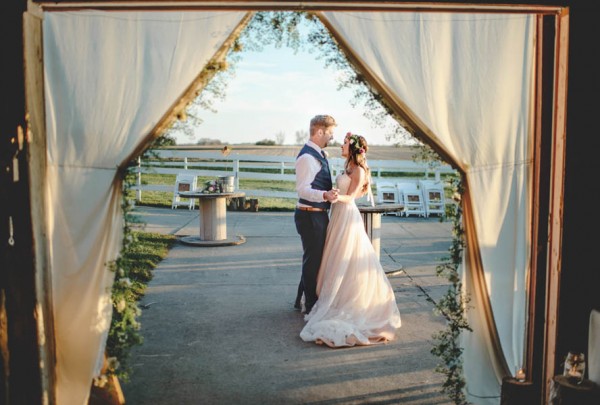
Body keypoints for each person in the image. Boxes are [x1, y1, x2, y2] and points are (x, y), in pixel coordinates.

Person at [300, 132, 402, 347]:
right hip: (336, 214)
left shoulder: (359, 170)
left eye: (345, 143)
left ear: (354, 148)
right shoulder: (347, 167)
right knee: (332, 255)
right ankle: (322, 295)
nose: (341, 145)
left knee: (346, 256)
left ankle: (344, 299)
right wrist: (332, 195)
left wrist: (336, 196)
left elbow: (353, 196)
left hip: (347, 214)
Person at [294, 114, 339, 315]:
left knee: (313, 260)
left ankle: (300, 300)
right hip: (310, 215)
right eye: (329, 133)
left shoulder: (319, 154)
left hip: (317, 214)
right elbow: (303, 190)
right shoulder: (307, 158)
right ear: (319, 131)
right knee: (312, 261)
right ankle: (310, 304)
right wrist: (325, 194)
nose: (331, 137)